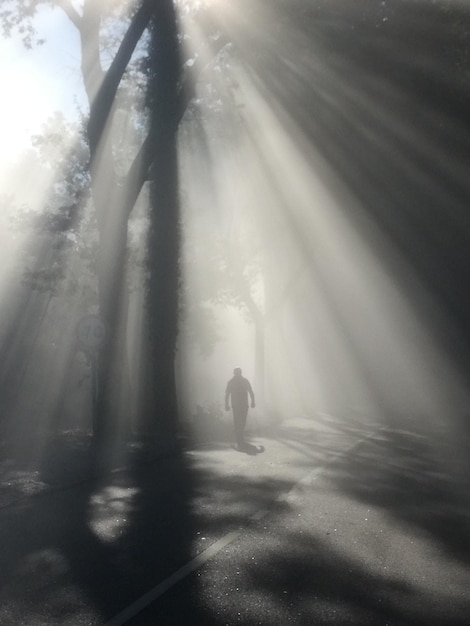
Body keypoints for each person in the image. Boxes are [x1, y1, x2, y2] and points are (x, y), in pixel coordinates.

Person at [225, 367, 255, 448]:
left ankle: (239, 438)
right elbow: (251, 392)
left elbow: (227, 395)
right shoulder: (244, 381)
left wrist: (226, 404)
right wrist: (252, 401)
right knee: (241, 421)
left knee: (238, 421)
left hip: (237, 405)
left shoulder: (231, 382)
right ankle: (239, 438)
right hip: (242, 405)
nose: (237, 374)